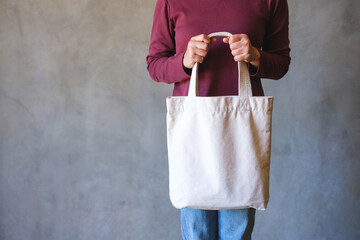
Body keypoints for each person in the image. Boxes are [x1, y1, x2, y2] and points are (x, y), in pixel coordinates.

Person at [146, 0, 290, 239]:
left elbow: (281, 63)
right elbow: (155, 64)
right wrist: (184, 61)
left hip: (241, 134)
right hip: (194, 135)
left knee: (237, 232)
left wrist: (255, 56)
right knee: (196, 233)